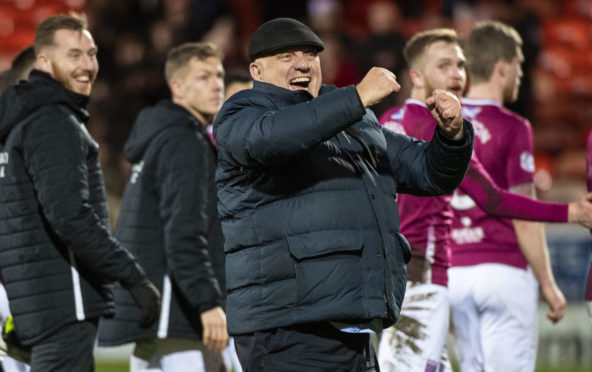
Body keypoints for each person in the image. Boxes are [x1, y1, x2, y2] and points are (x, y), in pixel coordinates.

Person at [213, 17, 474, 371]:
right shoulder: (243, 111)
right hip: (286, 326)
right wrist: (357, 96)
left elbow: (428, 172)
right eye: (286, 56)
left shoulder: (353, 118)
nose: (303, 63)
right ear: (257, 70)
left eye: (311, 54)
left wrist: (452, 136)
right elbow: (271, 140)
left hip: (352, 325)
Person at [376, 28, 592, 372]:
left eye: (461, 65)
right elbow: (495, 200)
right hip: (422, 278)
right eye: (445, 66)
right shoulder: (443, 132)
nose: (458, 75)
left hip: (398, 277)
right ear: (416, 75)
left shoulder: (385, 123)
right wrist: (571, 212)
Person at [0, 13, 161, 372]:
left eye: (92, 53)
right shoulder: (53, 120)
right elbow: (70, 217)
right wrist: (132, 275)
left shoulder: (15, 127)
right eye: (74, 55)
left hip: (40, 306)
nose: (88, 65)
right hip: (63, 303)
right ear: (44, 61)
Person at [98, 42, 229, 372]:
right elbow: (184, 232)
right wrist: (207, 302)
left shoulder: (160, 137)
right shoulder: (185, 141)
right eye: (203, 77)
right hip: (177, 309)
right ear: (178, 86)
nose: (216, 85)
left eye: (219, 75)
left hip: (155, 310)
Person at [448, 20, 565, 372]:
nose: (521, 74)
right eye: (518, 65)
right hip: (501, 270)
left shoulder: (441, 121)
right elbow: (524, 215)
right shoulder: (513, 126)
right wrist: (548, 283)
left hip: (453, 273)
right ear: (501, 67)